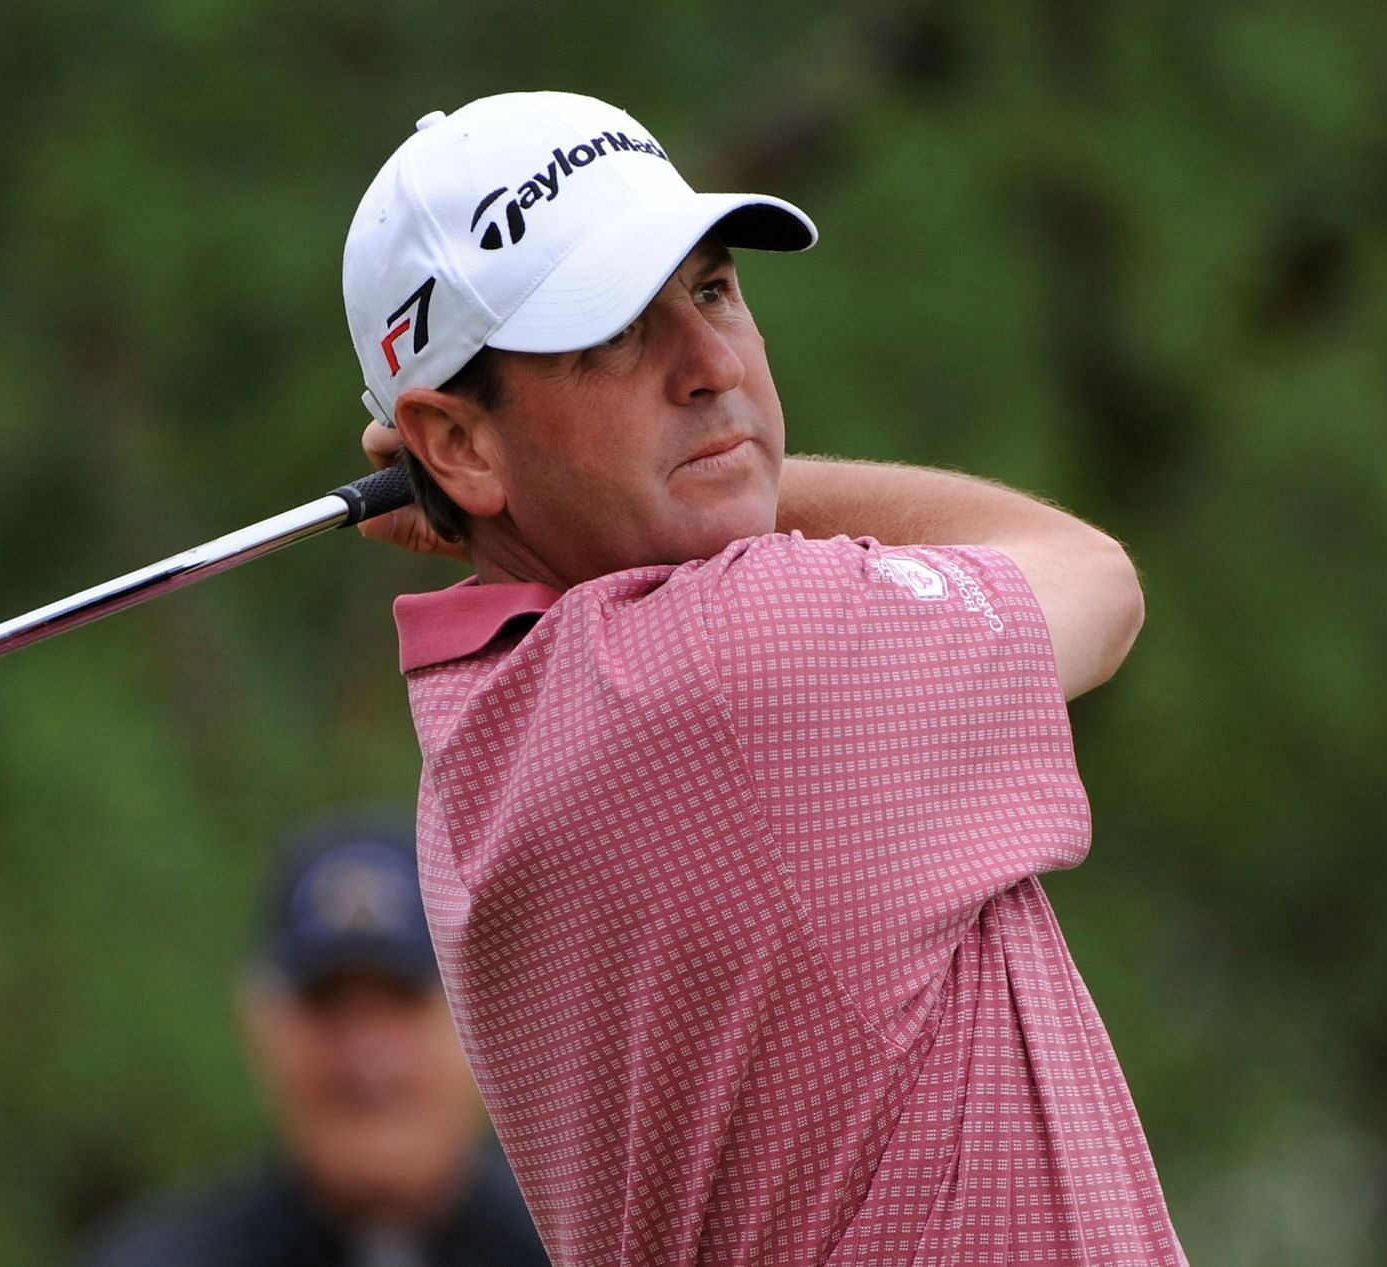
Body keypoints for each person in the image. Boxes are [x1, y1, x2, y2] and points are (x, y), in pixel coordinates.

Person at [342, 91, 1186, 1265]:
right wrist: (744, 475)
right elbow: (1095, 577)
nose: (712, 363)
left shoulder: (476, 755)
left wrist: (535, 487)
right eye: (614, 333)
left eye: (713, 288)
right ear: (457, 443)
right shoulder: (744, 663)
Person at [75, 815, 549, 1267]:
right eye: (328, 1008)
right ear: (262, 1028)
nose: (367, 1059)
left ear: (482, 1025)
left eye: (402, 1005)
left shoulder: (583, 1254)